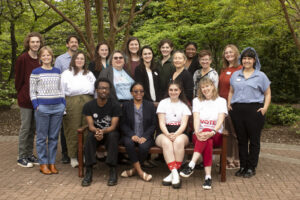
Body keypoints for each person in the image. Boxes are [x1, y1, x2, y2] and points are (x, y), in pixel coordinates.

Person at [228, 47, 271, 178]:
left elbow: (267, 93)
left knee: (254, 140)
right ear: (242, 60)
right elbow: (231, 91)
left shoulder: (261, 75)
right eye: (244, 58)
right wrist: (229, 104)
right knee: (241, 139)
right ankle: (243, 166)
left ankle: (251, 167)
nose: (246, 61)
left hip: (254, 110)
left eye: (249, 58)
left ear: (254, 60)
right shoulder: (236, 75)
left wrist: (265, 108)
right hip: (238, 110)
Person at [180, 77, 227, 190]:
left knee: (208, 135)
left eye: (207, 86)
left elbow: (221, 119)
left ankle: (191, 164)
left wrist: (212, 131)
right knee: (207, 141)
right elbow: (196, 119)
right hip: (200, 135)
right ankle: (208, 177)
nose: (205, 89)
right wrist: (197, 131)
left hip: (216, 134)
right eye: (202, 87)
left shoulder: (221, 101)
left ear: (213, 86)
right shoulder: (197, 101)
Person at [29, 46, 65, 175]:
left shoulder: (57, 71)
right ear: (40, 58)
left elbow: (61, 89)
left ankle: (52, 163)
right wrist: (36, 105)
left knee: (54, 137)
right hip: (42, 108)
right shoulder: (36, 72)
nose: (46, 58)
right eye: (43, 55)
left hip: (57, 108)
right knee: (41, 137)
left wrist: (63, 105)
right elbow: (32, 91)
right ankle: (43, 163)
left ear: (52, 57)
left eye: (48, 55)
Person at [81, 78, 122, 187]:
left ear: (109, 91)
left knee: (113, 136)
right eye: (101, 88)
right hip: (95, 133)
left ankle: (113, 171)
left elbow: (113, 126)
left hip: (109, 133)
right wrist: (97, 132)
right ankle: (88, 171)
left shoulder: (115, 105)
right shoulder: (89, 106)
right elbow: (90, 126)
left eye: (106, 88)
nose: (104, 91)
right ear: (96, 90)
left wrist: (102, 132)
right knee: (89, 137)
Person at [61, 52, 95, 168]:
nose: (80, 60)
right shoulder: (66, 73)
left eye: (82, 58)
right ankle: (73, 156)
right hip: (72, 102)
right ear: (73, 60)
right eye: (78, 58)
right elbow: (61, 91)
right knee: (72, 128)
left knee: (87, 128)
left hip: (88, 101)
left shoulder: (89, 73)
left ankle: (84, 154)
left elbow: (95, 89)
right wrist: (63, 107)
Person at [14, 32, 44, 168]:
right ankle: (21, 157)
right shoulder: (22, 59)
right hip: (26, 99)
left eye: (37, 42)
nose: (35, 44)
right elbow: (18, 80)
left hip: (37, 100)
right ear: (28, 43)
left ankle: (29, 154)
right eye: (33, 42)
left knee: (33, 128)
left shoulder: (41, 59)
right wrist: (22, 93)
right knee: (25, 127)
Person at [155, 80, 191, 189]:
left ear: (180, 91)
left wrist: (175, 134)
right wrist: (168, 134)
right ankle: (175, 174)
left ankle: (172, 174)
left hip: (180, 133)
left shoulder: (184, 105)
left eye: (176, 90)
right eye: (171, 90)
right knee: (167, 142)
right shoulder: (163, 103)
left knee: (178, 141)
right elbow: (161, 122)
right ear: (168, 91)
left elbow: (184, 124)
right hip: (163, 132)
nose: (173, 92)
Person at [120, 83, 157, 182]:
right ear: (131, 93)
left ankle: (133, 170)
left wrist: (145, 136)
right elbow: (122, 124)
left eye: (141, 91)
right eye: (136, 91)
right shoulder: (126, 105)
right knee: (128, 143)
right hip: (130, 134)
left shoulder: (149, 105)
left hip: (145, 136)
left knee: (143, 146)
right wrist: (132, 135)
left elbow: (154, 124)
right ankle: (141, 172)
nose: (139, 93)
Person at [54, 35, 80, 164]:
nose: (74, 44)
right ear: (67, 44)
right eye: (71, 42)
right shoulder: (60, 60)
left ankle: (78, 152)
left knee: (78, 126)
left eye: (76, 42)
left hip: (79, 98)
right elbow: (56, 79)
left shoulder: (81, 58)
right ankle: (65, 153)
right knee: (66, 127)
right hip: (65, 97)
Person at [219, 44, 243, 169]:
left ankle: (237, 159)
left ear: (236, 53)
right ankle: (227, 159)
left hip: (234, 105)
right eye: (226, 53)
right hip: (222, 105)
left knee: (236, 133)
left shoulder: (240, 69)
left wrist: (232, 103)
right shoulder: (223, 69)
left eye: (231, 52)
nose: (228, 54)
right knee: (226, 133)